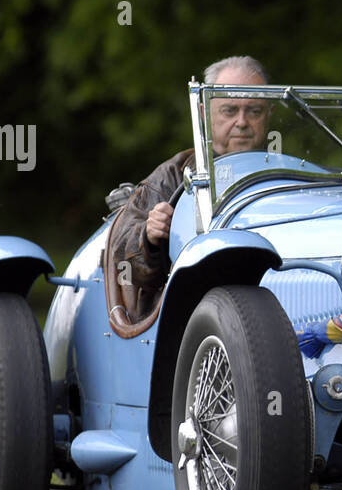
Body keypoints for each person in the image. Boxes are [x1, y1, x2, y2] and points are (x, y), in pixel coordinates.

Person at [110, 56, 272, 317]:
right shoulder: (172, 175)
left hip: (278, 301)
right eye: (230, 110)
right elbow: (121, 257)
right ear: (204, 112)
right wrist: (150, 236)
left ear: (268, 114)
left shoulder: (287, 174)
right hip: (189, 316)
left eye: (254, 111)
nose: (242, 121)